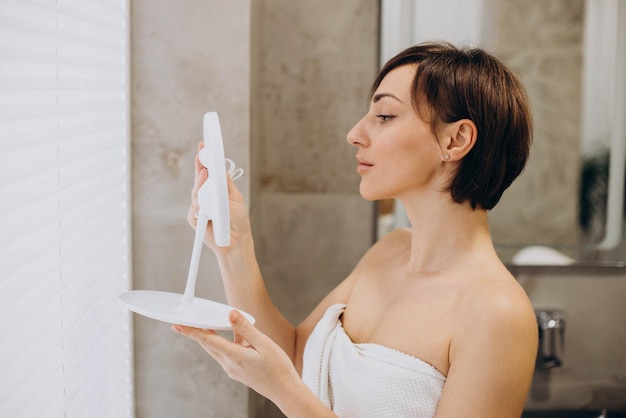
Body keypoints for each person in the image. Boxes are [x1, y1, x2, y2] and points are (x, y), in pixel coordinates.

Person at [173, 42, 538, 417]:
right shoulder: (390, 251)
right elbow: (297, 357)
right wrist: (235, 247)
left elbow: (289, 383)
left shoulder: (498, 314)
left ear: (455, 139)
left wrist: (284, 392)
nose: (354, 134)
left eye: (384, 115)